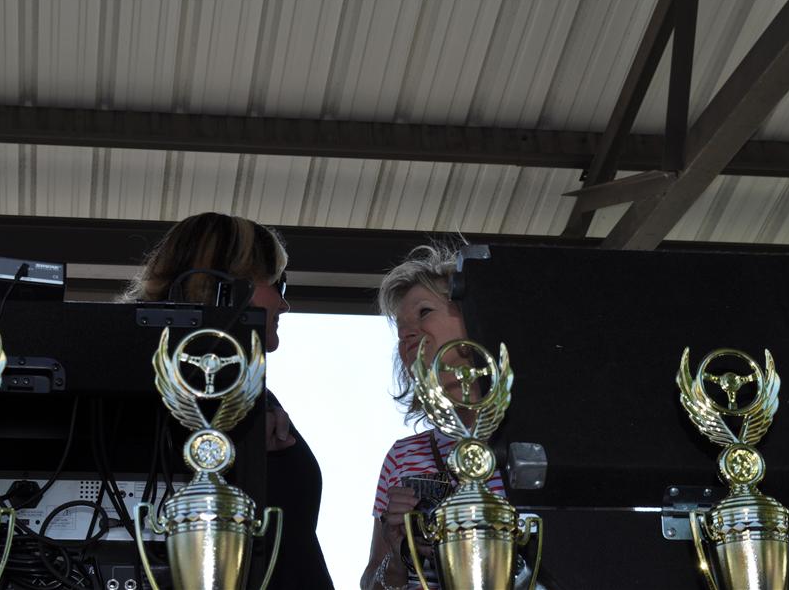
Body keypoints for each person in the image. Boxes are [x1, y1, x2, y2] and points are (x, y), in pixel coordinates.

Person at [123, 212, 334, 590]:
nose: (285, 304)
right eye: (279, 284)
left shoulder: (254, 394)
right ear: (228, 283)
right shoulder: (141, 395)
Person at [361, 244, 507, 590]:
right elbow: (371, 583)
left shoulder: (533, 445)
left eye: (424, 312)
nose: (407, 334)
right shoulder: (402, 457)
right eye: (401, 330)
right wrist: (396, 548)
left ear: (473, 314)